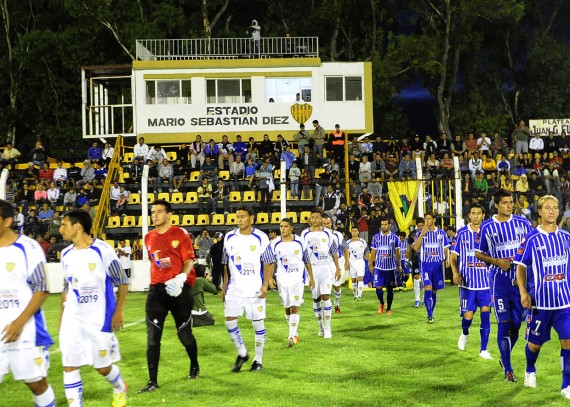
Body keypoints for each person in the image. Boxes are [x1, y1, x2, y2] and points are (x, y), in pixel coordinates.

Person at [58, 209, 128, 406]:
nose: (60, 228)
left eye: (64, 224)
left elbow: (122, 281)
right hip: (73, 318)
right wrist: (62, 317)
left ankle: (120, 387)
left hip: (99, 318)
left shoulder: (102, 250)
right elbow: (66, 286)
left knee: (102, 367)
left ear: (77, 226)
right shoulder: (65, 254)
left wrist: (118, 311)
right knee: (70, 364)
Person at [0, 199, 56, 407]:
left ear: (6, 221)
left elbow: (41, 289)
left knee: (37, 384)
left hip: (25, 331)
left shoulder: (28, 247)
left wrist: (18, 323)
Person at [140, 200, 199, 392]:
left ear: (169, 214)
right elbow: (156, 262)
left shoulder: (180, 234)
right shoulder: (148, 237)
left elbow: (189, 259)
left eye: (158, 212)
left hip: (179, 290)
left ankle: (194, 364)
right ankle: (152, 381)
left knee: (184, 334)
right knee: (152, 337)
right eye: (152, 212)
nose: (154, 215)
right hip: (157, 291)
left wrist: (181, 278)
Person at [514, 195, 570, 397]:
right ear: (540, 211)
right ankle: (530, 369)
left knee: (568, 341)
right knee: (535, 345)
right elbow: (520, 267)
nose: (552, 211)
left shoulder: (566, 238)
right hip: (540, 304)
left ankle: (566, 386)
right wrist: (523, 292)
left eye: (555, 207)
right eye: (548, 208)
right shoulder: (531, 238)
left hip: (564, 303)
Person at [474, 189, 532, 382]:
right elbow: (478, 253)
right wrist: (496, 261)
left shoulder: (522, 223)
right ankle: (508, 369)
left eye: (511, 202)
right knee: (504, 324)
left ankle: (503, 358)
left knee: (516, 325)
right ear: (496, 205)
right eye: (505, 202)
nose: (510, 205)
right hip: (499, 281)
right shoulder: (487, 227)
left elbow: (531, 249)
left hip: (520, 282)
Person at [221, 206, 274, 372]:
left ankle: (258, 360)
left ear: (252, 218)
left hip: (254, 289)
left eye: (242, 217)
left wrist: (265, 284)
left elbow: (269, 262)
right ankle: (242, 353)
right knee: (229, 320)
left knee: (257, 323)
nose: (239, 220)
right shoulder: (229, 237)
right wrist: (224, 285)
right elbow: (225, 263)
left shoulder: (260, 237)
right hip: (234, 288)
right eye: (237, 217)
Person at [450, 204, 493, 360]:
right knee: (468, 317)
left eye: (479, 213)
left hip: (486, 284)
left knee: (486, 315)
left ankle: (483, 349)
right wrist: (455, 272)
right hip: (468, 284)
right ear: (469, 215)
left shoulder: (488, 234)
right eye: (473, 213)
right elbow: (453, 256)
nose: (476, 216)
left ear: (483, 215)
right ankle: (465, 333)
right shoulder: (461, 234)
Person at [267, 218, 313, 347]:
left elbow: (307, 261)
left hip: (297, 279)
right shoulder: (274, 243)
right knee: (287, 308)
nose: (283, 229)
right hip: (282, 279)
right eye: (281, 226)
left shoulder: (300, 242)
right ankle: (295, 333)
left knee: (294, 307)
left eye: (286, 226)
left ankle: (291, 336)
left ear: (291, 228)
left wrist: (312, 278)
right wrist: (270, 278)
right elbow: (270, 262)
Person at [300, 210, 341, 339]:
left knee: (325, 297)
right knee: (316, 299)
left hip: (325, 268)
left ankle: (328, 328)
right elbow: (303, 253)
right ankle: (321, 327)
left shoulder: (328, 233)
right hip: (312, 269)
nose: (315, 219)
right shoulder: (304, 234)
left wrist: (338, 267)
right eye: (312, 217)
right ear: (310, 219)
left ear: (321, 219)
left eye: (317, 217)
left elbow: (334, 251)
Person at [413, 212, 449, 323]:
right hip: (426, 264)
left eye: (429, 218)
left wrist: (447, 258)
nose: (427, 220)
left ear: (434, 220)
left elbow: (446, 247)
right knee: (427, 287)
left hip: (438, 264)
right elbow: (415, 247)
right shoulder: (420, 233)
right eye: (425, 219)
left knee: (434, 291)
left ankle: (431, 313)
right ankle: (430, 315)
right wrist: (422, 234)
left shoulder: (441, 233)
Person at [369, 218, 401, 315]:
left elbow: (397, 252)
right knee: (378, 287)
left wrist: (399, 265)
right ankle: (382, 303)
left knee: (389, 289)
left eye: (385, 224)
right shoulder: (376, 237)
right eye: (382, 224)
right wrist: (370, 264)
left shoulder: (395, 237)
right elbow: (373, 252)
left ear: (389, 225)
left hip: (390, 268)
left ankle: (388, 308)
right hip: (379, 267)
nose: (383, 226)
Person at [322, 214, 346, 313]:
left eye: (328, 223)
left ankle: (336, 303)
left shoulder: (337, 235)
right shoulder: (318, 235)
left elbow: (346, 247)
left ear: (331, 224)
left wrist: (347, 261)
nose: (327, 225)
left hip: (335, 263)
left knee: (336, 286)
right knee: (323, 288)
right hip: (323, 263)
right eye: (324, 223)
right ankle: (326, 308)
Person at [346, 225, 369, 300]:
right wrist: (347, 261)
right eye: (353, 231)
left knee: (360, 277)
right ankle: (355, 294)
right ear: (351, 232)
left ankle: (359, 295)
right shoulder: (348, 243)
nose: (354, 232)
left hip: (360, 262)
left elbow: (367, 250)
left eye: (356, 231)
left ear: (358, 232)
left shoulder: (362, 241)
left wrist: (367, 257)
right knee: (353, 280)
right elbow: (345, 253)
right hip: (352, 262)